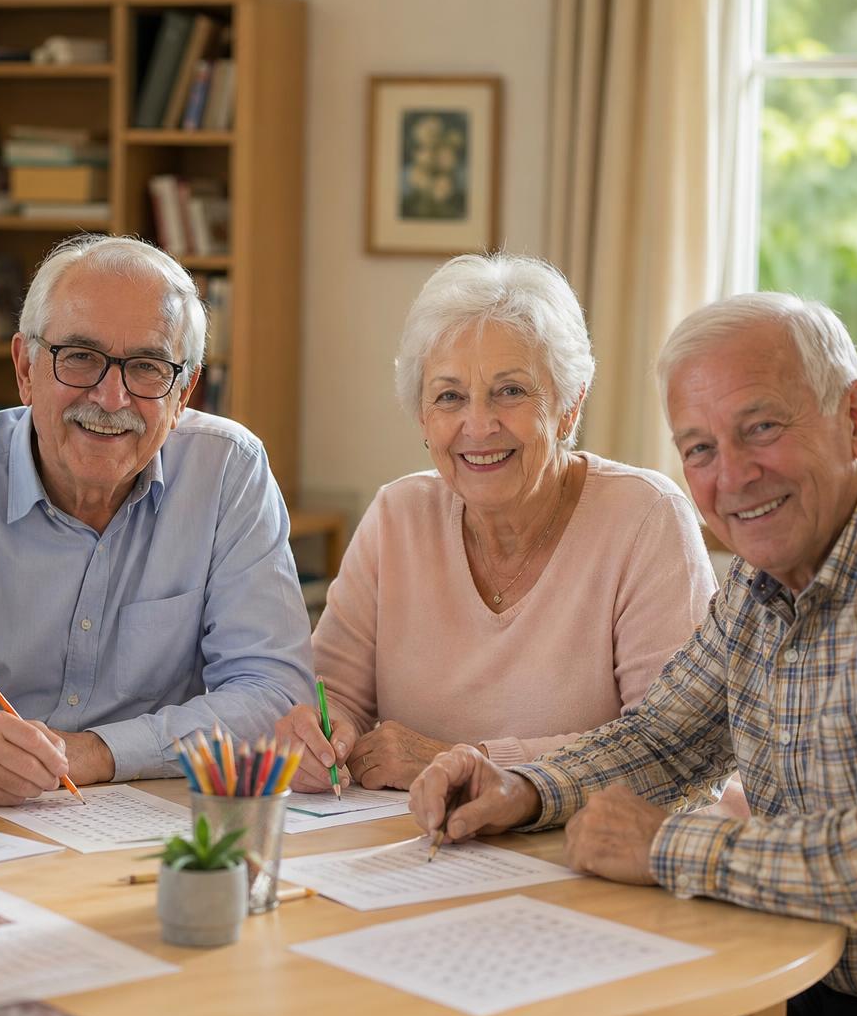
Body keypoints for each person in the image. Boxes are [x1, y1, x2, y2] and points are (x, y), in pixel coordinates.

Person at [409, 293, 857, 1016]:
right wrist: (522, 790)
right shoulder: (767, 567)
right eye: (700, 449)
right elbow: (664, 740)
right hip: (795, 976)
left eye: (761, 428)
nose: (733, 477)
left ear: (855, 419)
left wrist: (667, 845)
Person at [0, 234, 314, 805]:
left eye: (147, 367)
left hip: (154, 815)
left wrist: (98, 753)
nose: (111, 398)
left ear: (184, 393)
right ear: (25, 368)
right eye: (80, 357)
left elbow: (273, 691)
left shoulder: (229, 471)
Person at [275, 253, 716, 793]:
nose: (479, 425)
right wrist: (322, 737)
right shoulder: (397, 516)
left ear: (569, 406)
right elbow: (334, 693)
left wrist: (467, 764)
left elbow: (678, 749)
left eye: (511, 391)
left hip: (580, 841)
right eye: (450, 397)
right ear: (423, 418)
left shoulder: (647, 518)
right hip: (405, 836)